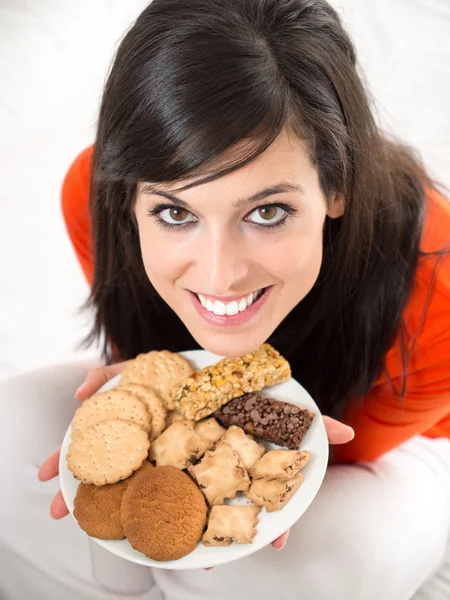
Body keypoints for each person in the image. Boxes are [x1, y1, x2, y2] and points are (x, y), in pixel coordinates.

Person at [1, 0, 449, 599]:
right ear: (132, 197)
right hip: (201, 390)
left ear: (336, 184)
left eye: (268, 212)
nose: (219, 275)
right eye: (175, 212)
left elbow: (320, 451)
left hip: (382, 440)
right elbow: (149, 356)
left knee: (272, 575)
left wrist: (207, 483)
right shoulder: (95, 196)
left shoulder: (437, 294)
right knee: (13, 426)